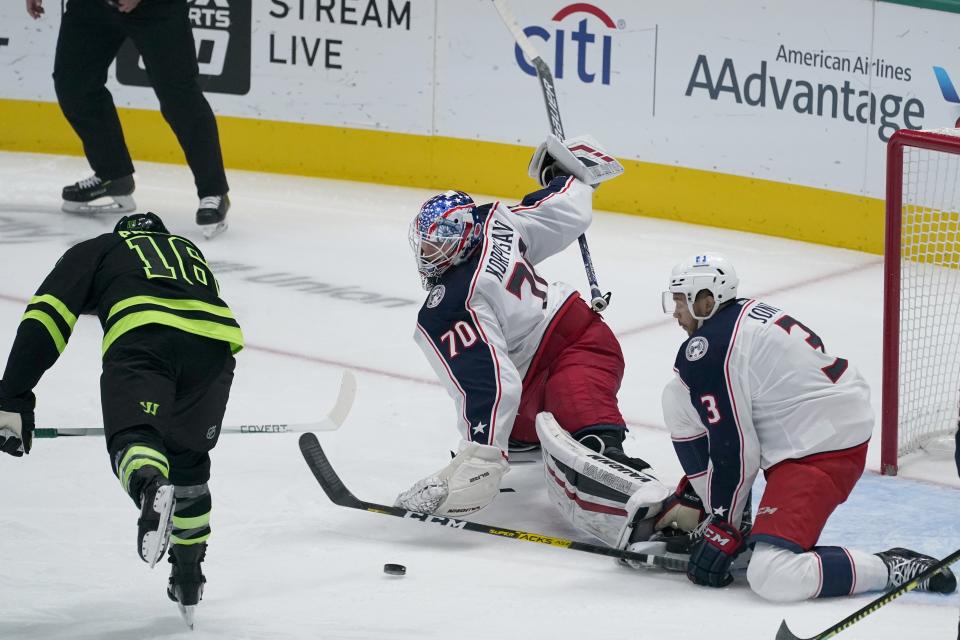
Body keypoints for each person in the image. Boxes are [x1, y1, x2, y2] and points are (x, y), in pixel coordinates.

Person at [394, 133, 668, 544]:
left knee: (585, 422)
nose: (429, 254)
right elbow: (566, 213)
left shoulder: (453, 303)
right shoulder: (494, 221)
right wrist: (568, 176)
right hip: (557, 362)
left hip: (577, 346)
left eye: (439, 243)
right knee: (558, 426)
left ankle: (629, 480)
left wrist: (482, 454)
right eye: (427, 243)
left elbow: (491, 383)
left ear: (461, 237)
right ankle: (560, 448)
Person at [650, 254, 956, 601]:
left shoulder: (711, 348)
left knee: (772, 575)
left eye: (680, 302)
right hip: (806, 424)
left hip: (823, 448)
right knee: (677, 395)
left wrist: (725, 527)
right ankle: (720, 516)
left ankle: (891, 567)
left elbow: (735, 448)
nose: (675, 312)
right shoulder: (736, 319)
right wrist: (721, 518)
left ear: (706, 301)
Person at [0, 212, 242, 625]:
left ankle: (149, 485)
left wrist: (13, 395)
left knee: (137, 438)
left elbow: (49, 316)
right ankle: (188, 574)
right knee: (188, 463)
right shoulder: (189, 253)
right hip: (216, 350)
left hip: (146, 337)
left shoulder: (103, 247)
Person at [25, 0, 231, 237]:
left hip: (156, 9)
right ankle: (113, 175)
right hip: (91, 7)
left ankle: (213, 191)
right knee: (74, 84)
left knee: (179, 96)